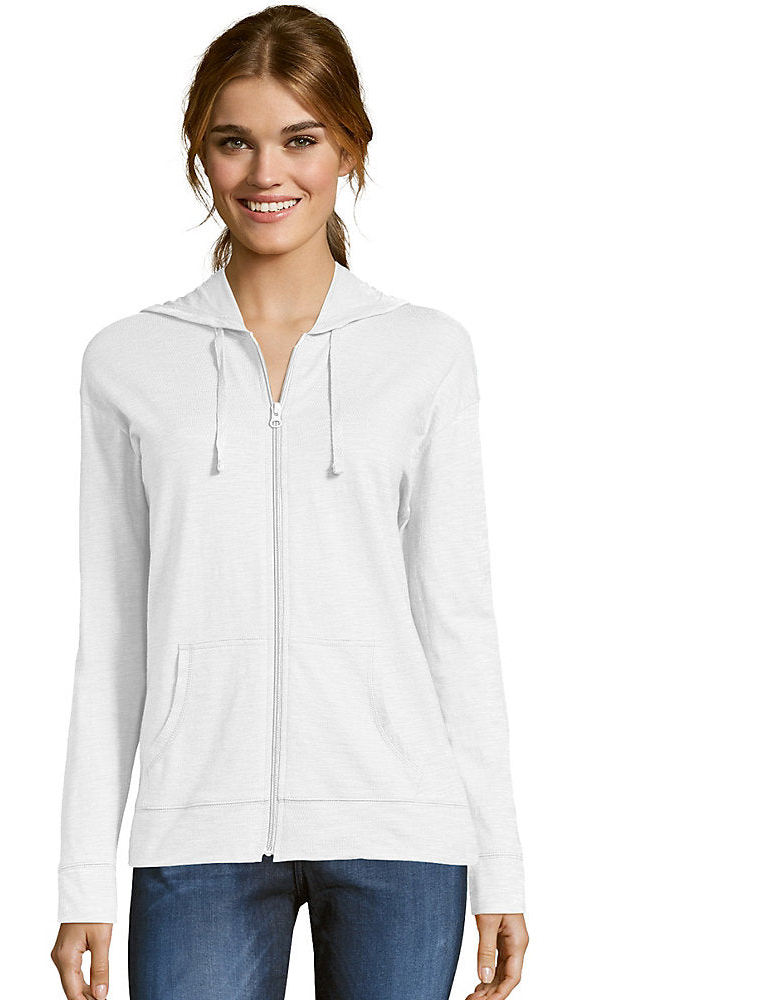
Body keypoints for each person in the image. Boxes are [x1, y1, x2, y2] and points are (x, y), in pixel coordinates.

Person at [51, 6, 529, 999]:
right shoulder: (127, 362)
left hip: (400, 827)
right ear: (200, 154)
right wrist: (84, 876)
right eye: (235, 141)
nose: (267, 173)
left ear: (349, 146)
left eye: (300, 139)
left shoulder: (426, 352)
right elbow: (113, 632)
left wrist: (501, 866)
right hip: (198, 829)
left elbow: (458, 617)